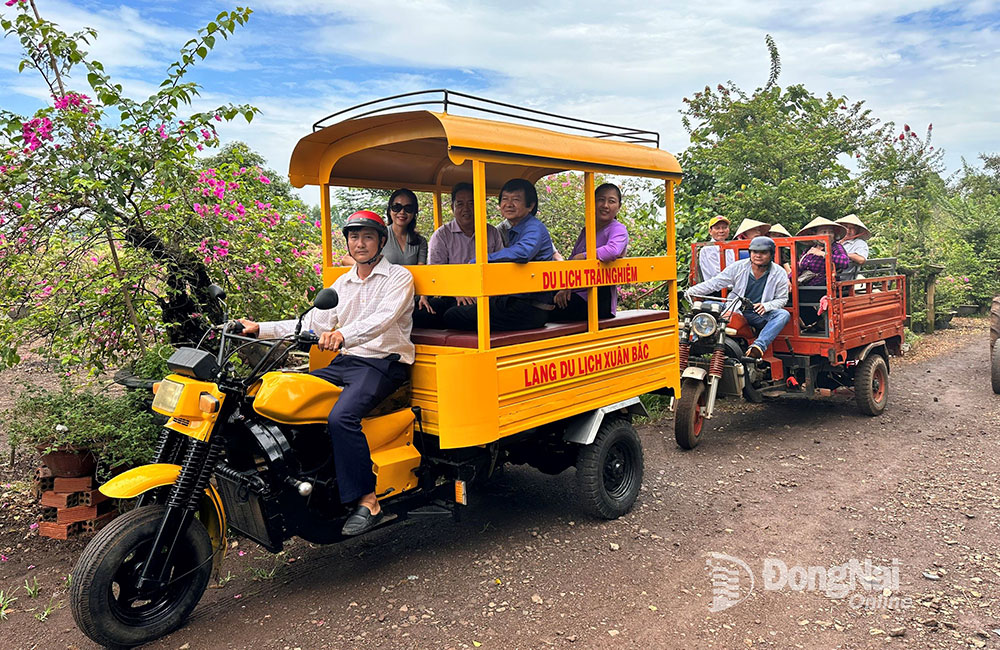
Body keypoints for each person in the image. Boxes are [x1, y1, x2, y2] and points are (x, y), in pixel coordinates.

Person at [238, 210, 414, 537]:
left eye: (367, 237)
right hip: (346, 363)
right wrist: (258, 328)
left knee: (341, 417)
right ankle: (311, 482)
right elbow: (312, 324)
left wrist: (344, 335)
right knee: (291, 402)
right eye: (354, 237)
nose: (360, 244)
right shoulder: (342, 283)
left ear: (381, 241)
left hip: (384, 363)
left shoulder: (399, 278)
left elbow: (382, 320)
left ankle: (368, 500)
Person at [443, 178, 555, 331]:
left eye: (516, 200)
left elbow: (523, 252)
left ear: (530, 206)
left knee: (453, 316)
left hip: (530, 308)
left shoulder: (533, 228)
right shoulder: (512, 229)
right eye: (505, 199)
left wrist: (482, 260)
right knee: (448, 311)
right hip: (513, 300)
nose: (508, 204)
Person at [685, 236, 790, 360]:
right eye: (755, 252)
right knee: (706, 305)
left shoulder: (779, 272)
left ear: (771, 254)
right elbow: (716, 282)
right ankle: (697, 343)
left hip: (759, 314)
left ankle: (758, 347)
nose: (758, 255)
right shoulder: (739, 267)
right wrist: (690, 291)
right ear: (750, 253)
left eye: (763, 252)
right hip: (735, 307)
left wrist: (766, 306)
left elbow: (782, 298)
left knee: (783, 314)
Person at [414, 182, 504, 327]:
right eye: (460, 204)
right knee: (422, 314)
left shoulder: (492, 233)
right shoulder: (442, 235)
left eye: (471, 203)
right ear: (452, 208)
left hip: (484, 295)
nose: (466, 209)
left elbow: (500, 268)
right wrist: (457, 292)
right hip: (452, 294)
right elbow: (437, 273)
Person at [551, 183, 629, 321]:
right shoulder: (587, 230)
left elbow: (612, 250)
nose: (605, 205)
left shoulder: (618, 229)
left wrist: (584, 256)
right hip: (577, 292)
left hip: (598, 300)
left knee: (543, 310)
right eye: (600, 200)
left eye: (611, 201)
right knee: (542, 300)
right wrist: (565, 286)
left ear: (619, 207)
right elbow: (572, 260)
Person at [794, 217, 850, 286]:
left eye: (831, 232)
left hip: (824, 286)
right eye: (824, 232)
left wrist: (823, 254)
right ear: (815, 234)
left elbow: (845, 262)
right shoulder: (810, 248)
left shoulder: (835, 247)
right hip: (805, 283)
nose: (828, 235)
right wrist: (788, 279)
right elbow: (798, 267)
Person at [382, 188, 428, 265]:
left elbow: (421, 269)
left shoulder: (420, 241)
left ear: (414, 213)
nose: (402, 212)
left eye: (408, 208)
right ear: (389, 210)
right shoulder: (379, 236)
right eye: (397, 207)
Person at [697, 215, 736, 282]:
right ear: (710, 231)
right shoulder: (707, 250)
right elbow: (715, 273)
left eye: (724, 228)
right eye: (717, 228)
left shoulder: (731, 248)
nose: (721, 231)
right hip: (715, 289)